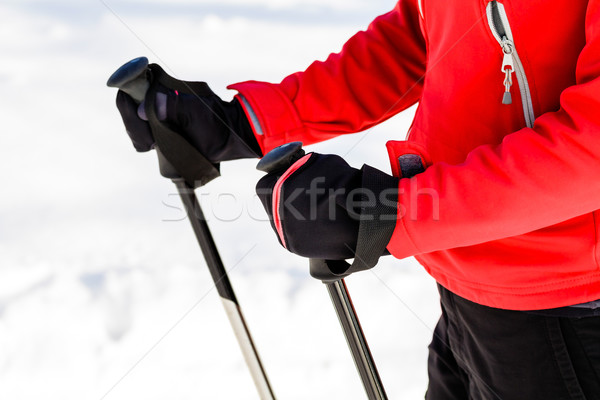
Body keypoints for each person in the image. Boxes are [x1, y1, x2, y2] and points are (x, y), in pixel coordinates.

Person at [116, 0, 600, 398]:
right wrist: (247, 121)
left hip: (571, 312)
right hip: (470, 292)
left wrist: (387, 214)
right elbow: (419, 34)